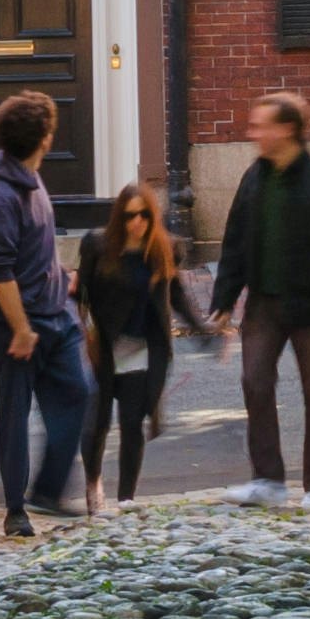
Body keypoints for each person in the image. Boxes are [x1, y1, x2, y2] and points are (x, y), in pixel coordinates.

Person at [208, 88, 310, 509]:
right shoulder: (254, 178)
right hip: (263, 304)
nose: (253, 132)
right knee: (255, 383)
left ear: (287, 129)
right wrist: (223, 298)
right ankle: (267, 480)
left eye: (262, 125)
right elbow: (235, 240)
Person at [0, 89, 91, 537]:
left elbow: (34, 250)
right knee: (15, 414)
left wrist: (62, 277)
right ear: (43, 137)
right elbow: (1, 272)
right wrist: (21, 329)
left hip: (56, 314)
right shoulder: (1, 196)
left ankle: (47, 492)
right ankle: (15, 510)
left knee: (80, 392)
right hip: (19, 325)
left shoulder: (30, 178)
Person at [74, 181, 214, 507]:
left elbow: (176, 296)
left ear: (152, 218)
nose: (136, 223)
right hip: (106, 345)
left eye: (143, 216)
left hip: (141, 346)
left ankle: (126, 498)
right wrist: (88, 331)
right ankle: (93, 483)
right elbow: (82, 294)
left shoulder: (164, 250)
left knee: (132, 422)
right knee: (97, 422)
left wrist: (204, 330)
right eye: (128, 216)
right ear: (118, 218)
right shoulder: (97, 247)